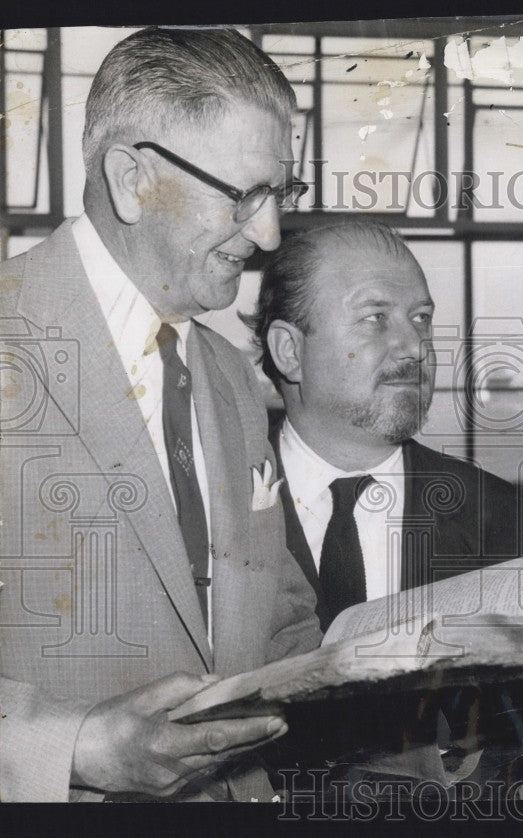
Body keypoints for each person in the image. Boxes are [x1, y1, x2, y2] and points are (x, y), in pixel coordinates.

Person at [0, 28, 321, 802]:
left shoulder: (227, 377)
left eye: (282, 194)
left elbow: (274, 613)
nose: (270, 234)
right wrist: (70, 747)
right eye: (243, 195)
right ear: (131, 179)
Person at [243, 219, 523, 797]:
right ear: (289, 350)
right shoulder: (218, 507)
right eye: (375, 317)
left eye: (421, 319)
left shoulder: (500, 519)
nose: (415, 347)